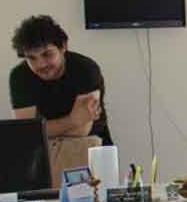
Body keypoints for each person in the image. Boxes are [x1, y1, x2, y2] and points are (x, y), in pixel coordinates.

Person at [9, 15, 113, 145]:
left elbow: (81, 131)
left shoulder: (85, 69)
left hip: (91, 145)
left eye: (47, 54)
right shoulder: (19, 75)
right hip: (46, 149)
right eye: (31, 58)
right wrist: (72, 120)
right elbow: (26, 131)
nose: (40, 64)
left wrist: (41, 130)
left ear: (63, 47)